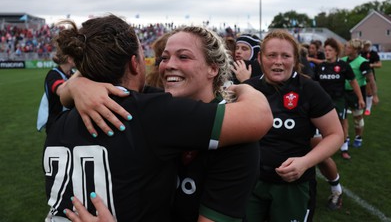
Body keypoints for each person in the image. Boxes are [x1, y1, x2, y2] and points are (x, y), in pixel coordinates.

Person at [44, 15, 272, 222]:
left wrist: (75, 84)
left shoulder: (60, 124)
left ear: (213, 68)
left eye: (183, 56)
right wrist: (246, 90)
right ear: (135, 63)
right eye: (163, 57)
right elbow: (259, 115)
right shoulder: (150, 111)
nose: (168, 64)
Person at [244, 29, 344, 222]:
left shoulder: (310, 89)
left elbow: (335, 134)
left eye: (285, 56)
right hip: (251, 183)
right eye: (271, 55)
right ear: (259, 57)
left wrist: (305, 162)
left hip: (294, 187)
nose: (278, 61)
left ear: (295, 59)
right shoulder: (247, 89)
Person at [313, 37, 365, 209]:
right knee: (320, 128)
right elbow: (313, 85)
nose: (327, 52)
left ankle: (343, 147)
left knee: (342, 123)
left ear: (336, 51)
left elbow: (353, 82)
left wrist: (360, 98)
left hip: (338, 101)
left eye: (330, 50)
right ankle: (326, 147)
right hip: (322, 102)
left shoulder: (343, 66)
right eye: (325, 50)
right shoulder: (320, 67)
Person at [341, 39, 378, 148]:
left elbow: (371, 80)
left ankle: (358, 137)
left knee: (357, 117)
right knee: (342, 117)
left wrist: (374, 95)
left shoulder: (363, 62)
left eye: (348, 47)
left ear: (355, 50)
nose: (345, 49)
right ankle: (346, 137)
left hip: (357, 94)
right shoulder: (342, 60)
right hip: (342, 93)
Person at [37, 52, 75, 133]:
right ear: (69, 59)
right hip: (55, 123)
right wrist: (80, 73)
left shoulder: (72, 74)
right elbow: (62, 91)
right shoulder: (53, 74)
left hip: (69, 122)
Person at [360, 40, 382, 116]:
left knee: (369, 91)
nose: (367, 47)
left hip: (369, 74)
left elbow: (379, 64)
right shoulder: (360, 53)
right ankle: (361, 104)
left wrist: (372, 65)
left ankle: (368, 108)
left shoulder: (373, 53)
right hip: (359, 74)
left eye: (368, 45)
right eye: (366, 45)